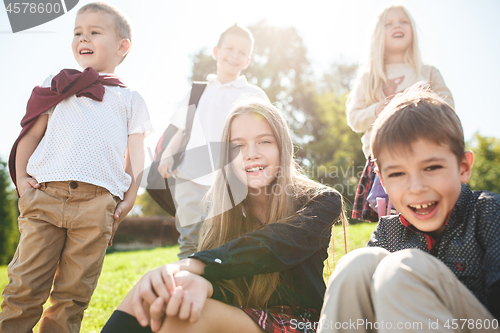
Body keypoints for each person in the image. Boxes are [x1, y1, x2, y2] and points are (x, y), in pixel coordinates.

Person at [101, 100, 345, 333]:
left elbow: (277, 245)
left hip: (303, 323)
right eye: (238, 146)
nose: (251, 154)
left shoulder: (321, 201)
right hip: (242, 314)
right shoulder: (224, 213)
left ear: (283, 147)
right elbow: (230, 287)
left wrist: (197, 265)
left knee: (186, 316)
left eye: (264, 141)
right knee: (151, 290)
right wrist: (193, 281)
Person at [0, 3, 152, 333]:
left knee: (72, 296)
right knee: (25, 287)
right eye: (77, 33)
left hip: (97, 205)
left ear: (122, 46)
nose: (83, 38)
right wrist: (23, 179)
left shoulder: (130, 99)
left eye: (95, 32)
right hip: (45, 197)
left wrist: (128, 198)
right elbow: (32, 132)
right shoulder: (57, 84)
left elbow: (136, 156)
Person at [318, 86, 500, 333]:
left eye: (432, 167)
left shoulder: (489, 214)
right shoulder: (388, 230)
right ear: (382, 181)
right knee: (357, 264)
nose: (416, 188)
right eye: (398, 173)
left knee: (402, 266)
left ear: (463, 167)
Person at [157, 23, 269, 260]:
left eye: (242, 52)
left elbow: (266, 134)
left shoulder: (254, 94)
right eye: (230, 48)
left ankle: (222, 290)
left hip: (232, 179)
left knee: (227, 238)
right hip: (189, 176)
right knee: (189, 239)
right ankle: (187, 290)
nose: (235, 56)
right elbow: (181, 127)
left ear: (247, 60)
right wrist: (168, 153)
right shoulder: (197, 91)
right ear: (216, 52)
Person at [347, 5, 454, 222]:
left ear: (412, 30)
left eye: (403, 21)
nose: (397, 25)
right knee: (391, 223)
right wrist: (379, 108)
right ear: (379, 34)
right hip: (384, 159)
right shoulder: (369, 77)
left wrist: (419, 103)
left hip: (425, 154)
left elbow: (449, 107)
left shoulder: (428, 72)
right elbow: (354, 118)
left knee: (429, 214)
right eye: (389, 23)